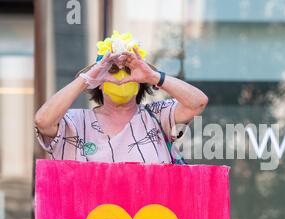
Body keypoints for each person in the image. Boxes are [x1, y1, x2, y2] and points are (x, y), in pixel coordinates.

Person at [34, 31, 208, 163]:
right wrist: (87, 78)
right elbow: (43, 121)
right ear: (99, 81)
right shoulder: (74, 122)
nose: (121, 77)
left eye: (128, 70)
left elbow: (197, 103)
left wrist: (154, 76)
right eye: (113, 70)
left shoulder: (158, 116)